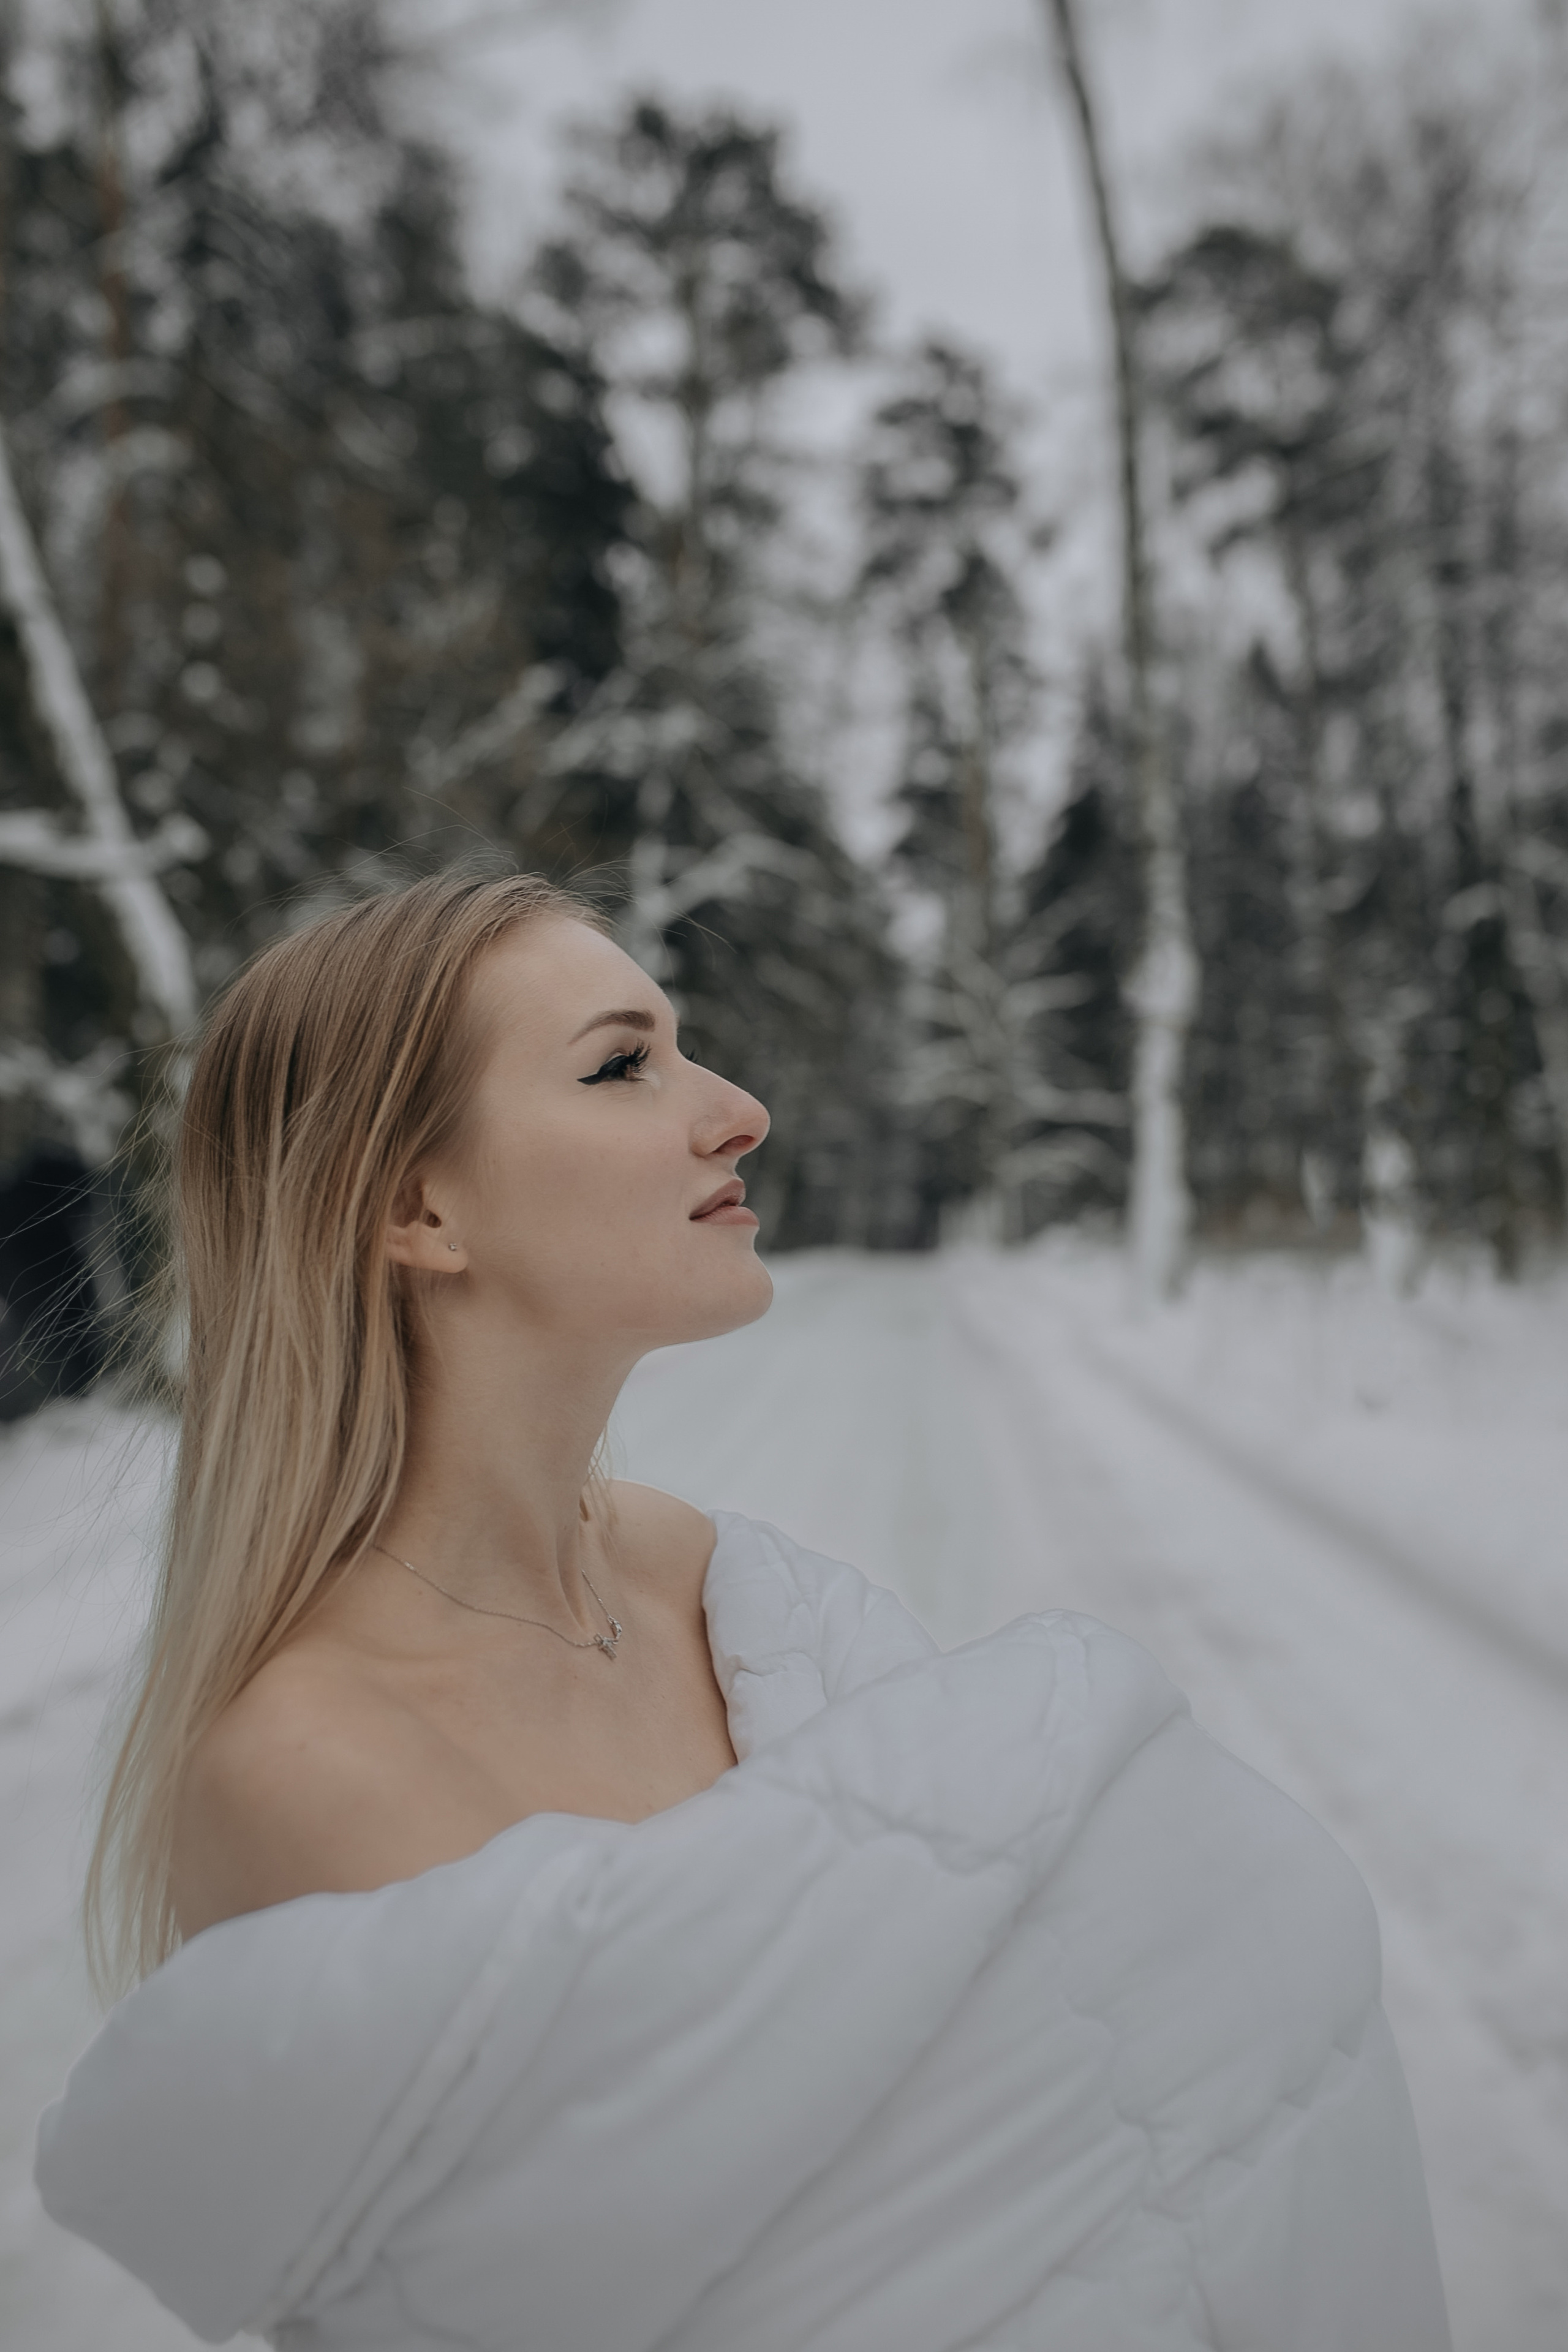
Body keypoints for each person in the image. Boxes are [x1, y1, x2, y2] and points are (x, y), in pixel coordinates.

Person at [37, 872, 1452, 2351]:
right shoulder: (308, 1771)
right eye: (620, 1064)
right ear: (416, 1207)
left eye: (682, 1045)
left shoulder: (697, 1575)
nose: (736, 1109)